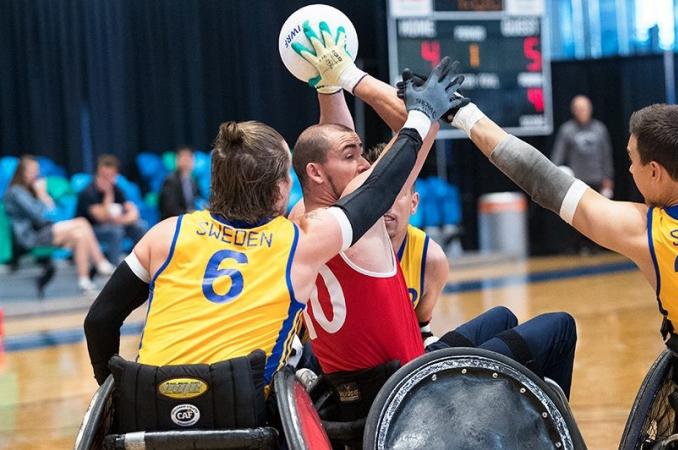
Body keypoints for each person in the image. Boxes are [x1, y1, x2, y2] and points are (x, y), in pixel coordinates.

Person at [83, 51, 456, 408]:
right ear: (281, 190)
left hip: (149, 402)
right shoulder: (299, 240)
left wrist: (112, 390)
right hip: (240, 408)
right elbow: (379, 187)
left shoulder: (166, 233)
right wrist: (420, 114)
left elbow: (100, 319)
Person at [438, 93, 678, 446]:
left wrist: (467, 115)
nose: (629, 169)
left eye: (633, 160)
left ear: (655, 171)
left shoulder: (644, 231)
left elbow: (542, 179)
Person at [289, 22, 576, 420]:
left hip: (360, 389)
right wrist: (351, 78)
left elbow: (333, 143)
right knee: (560, 328)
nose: (364, 163)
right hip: (411, 389)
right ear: (318, 173)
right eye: (352, 157)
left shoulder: (301, 218)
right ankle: (541, 429)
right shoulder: (363, 216)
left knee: (503, 317)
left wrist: (327, 86)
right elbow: (420, 126)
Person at [363, 142, 446, 345]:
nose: (386, 202)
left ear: (414, 203)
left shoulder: (432, 259)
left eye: (397, 192)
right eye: (378, 191)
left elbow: (421, 327)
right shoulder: (339, 246)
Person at [4, 156, 114, 293]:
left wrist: (42, 198)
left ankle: (84, 281)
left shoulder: (28, 191)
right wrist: (42, 195)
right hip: (29, 238)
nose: (36, 174)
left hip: (41, 232)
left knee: (79, 235)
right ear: (22, 172)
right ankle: (100, 262)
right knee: (81, 222)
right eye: (32, 171)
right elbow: (38, 216)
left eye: (37, 170)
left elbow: (49, 214)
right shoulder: (16, 192)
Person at [77, 154, 147, 264]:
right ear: (98, 173)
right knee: (116, 232)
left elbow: (133, 212)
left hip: (113, 224)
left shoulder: (117, 189)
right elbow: (101, 218)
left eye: (112, 176)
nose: (109, 179)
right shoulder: (88, 192)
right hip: (91, 229)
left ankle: (141, 263)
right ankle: (115, 267)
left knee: (140, 226)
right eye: (105, 176)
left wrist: (123, 220)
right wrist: (108, 195)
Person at [551, 95, 614, 198]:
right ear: (573, 111)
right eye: (578, 109)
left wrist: (608, 180)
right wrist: (554, 178)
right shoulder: (566, 130)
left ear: (590, 109)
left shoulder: (600, 129)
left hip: (597, 180)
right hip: (576, 183)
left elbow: (606, 156)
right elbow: (558, 157)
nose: (582, 112)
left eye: (584, 109)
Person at [158, 146, 199, 219]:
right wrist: (191, 216)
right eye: (183, 158)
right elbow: (170, 209)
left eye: (189, 158)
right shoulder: (170, 181)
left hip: (189, 219)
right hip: (173, 221)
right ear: (177, 160)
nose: (186, 162)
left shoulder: (193, 181)